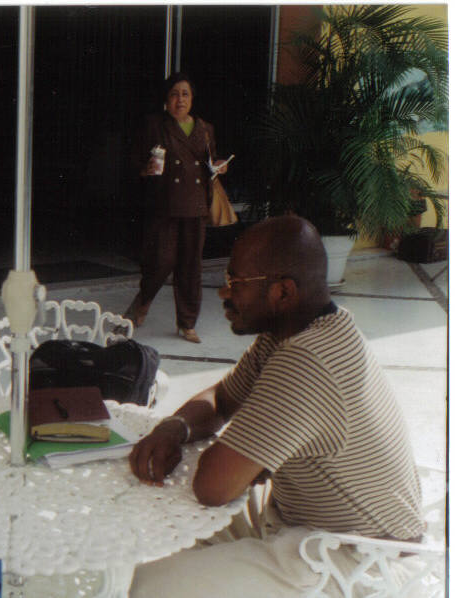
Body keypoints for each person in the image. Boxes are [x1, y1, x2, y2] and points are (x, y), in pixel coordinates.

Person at [127, 215, 423, 597]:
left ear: (283, 293)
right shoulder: (296, 331)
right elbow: (218, 400)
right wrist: (174, 428)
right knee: (147, 535)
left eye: (236, 282)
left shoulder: (308, 359)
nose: (224, 293)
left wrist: (248, 455)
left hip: (358, 557)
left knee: (147, 585)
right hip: (301, 519)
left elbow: (213, 486)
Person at [123, 72, 229, 343]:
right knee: (159, 261)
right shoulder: (154, 126)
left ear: (192, 99)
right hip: (164, 204)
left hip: (195, 205)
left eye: (185, 94)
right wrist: (144, 170)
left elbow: (209, 162)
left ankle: (187, 322)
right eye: (174, 94)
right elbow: (134, 161)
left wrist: (219, 166)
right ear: (166, 100)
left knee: (190, 267)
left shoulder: (205, 129)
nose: (180, 100)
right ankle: (142, 303)